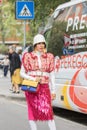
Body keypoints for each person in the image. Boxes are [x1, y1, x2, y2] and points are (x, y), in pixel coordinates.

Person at [20, 34, 56, 130]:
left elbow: (52, 75)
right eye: (38, 43)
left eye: (42, 43)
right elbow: (22, 73)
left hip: (45, 87)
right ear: (35, 44)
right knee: (32, 111)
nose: (41, 45)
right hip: (32, 87)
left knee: (48, 111)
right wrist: (33, 79)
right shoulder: (28, 56)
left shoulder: (49, 57)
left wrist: (53, 91)